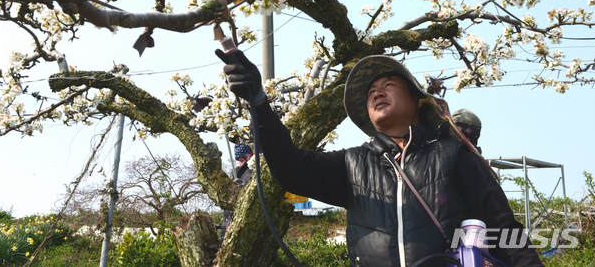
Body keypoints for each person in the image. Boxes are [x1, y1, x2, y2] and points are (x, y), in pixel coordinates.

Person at [216, 50, 543, 266]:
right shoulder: (352, 164)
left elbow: (505, 233)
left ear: (418, 102)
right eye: (372, 90)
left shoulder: (455, 156)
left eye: (389, 84)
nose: (377, 91)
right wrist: (258, 102)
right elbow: (292, 169)